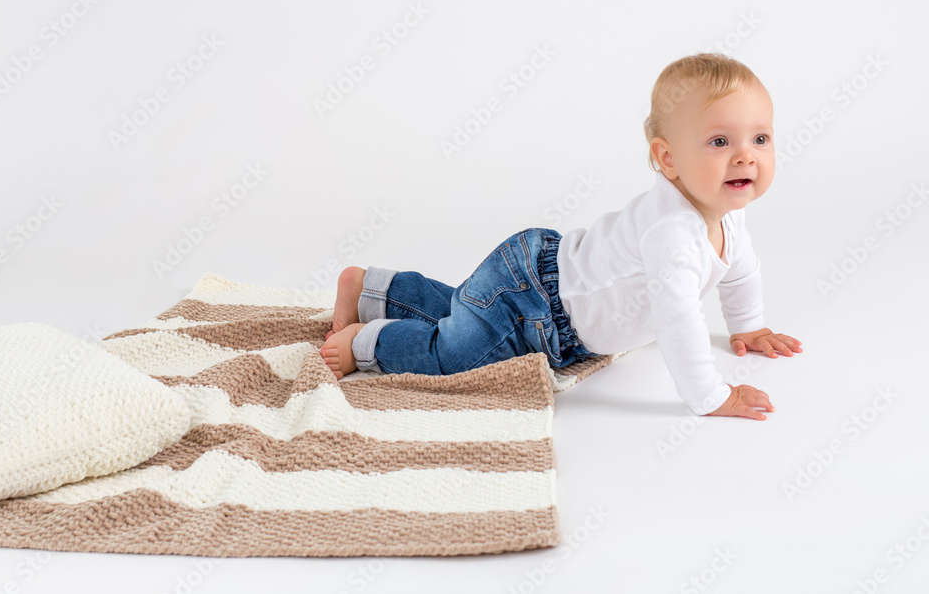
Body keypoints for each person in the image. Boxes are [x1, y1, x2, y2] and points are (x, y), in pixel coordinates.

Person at [319, 52, 802, 421]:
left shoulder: (726, 217)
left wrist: (748, 326)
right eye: (720, 141)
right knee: (454, 355)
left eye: (760, 138)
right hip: (536, 303)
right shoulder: (671, 234)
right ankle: (366, 342)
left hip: (538, 279)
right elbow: (677, 320)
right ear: (668, 159)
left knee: (462, 311)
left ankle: (371, 288)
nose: (746, 155)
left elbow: (741, 271)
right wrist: (713, 396)